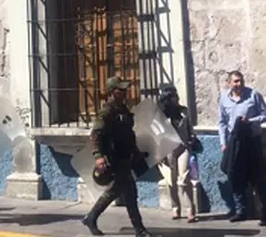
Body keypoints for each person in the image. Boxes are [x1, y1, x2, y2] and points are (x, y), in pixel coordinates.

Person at [82, 76, 152, 237]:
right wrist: (98, 156)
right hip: (114, 157)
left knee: (123, 191)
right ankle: (139, 229)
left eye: (124, 89)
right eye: (120, 89)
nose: (124, 92)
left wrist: (136, 152)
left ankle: (91, 218)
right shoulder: (107, 111)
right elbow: (95, 134)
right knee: (127, 190)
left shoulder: (123, 110)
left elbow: (128, 135)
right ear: (113, 92)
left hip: (124, 156)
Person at [218, 70, 266, 225]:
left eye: (241, 81)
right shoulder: (224, 98)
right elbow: (222, 122)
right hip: (234, 143)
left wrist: (250, 120)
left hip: (252, 141)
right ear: (229, 83)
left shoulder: (253, 95)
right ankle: (241, 210)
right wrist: (223, 143)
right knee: (235, 176)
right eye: (235, 81)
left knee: (258, 177)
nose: (239, 84)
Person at [157, 83, 200, 223]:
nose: (175, 99)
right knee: (171, 180)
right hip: (168, 149)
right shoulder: (161, 115)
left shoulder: (183, 111)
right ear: (166, 99)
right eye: (172, 97)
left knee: (184, 178)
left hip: (183, 147)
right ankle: (175, 208)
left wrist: (191, 140)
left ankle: (190, 210)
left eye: (176, 96)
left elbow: (190, 129)